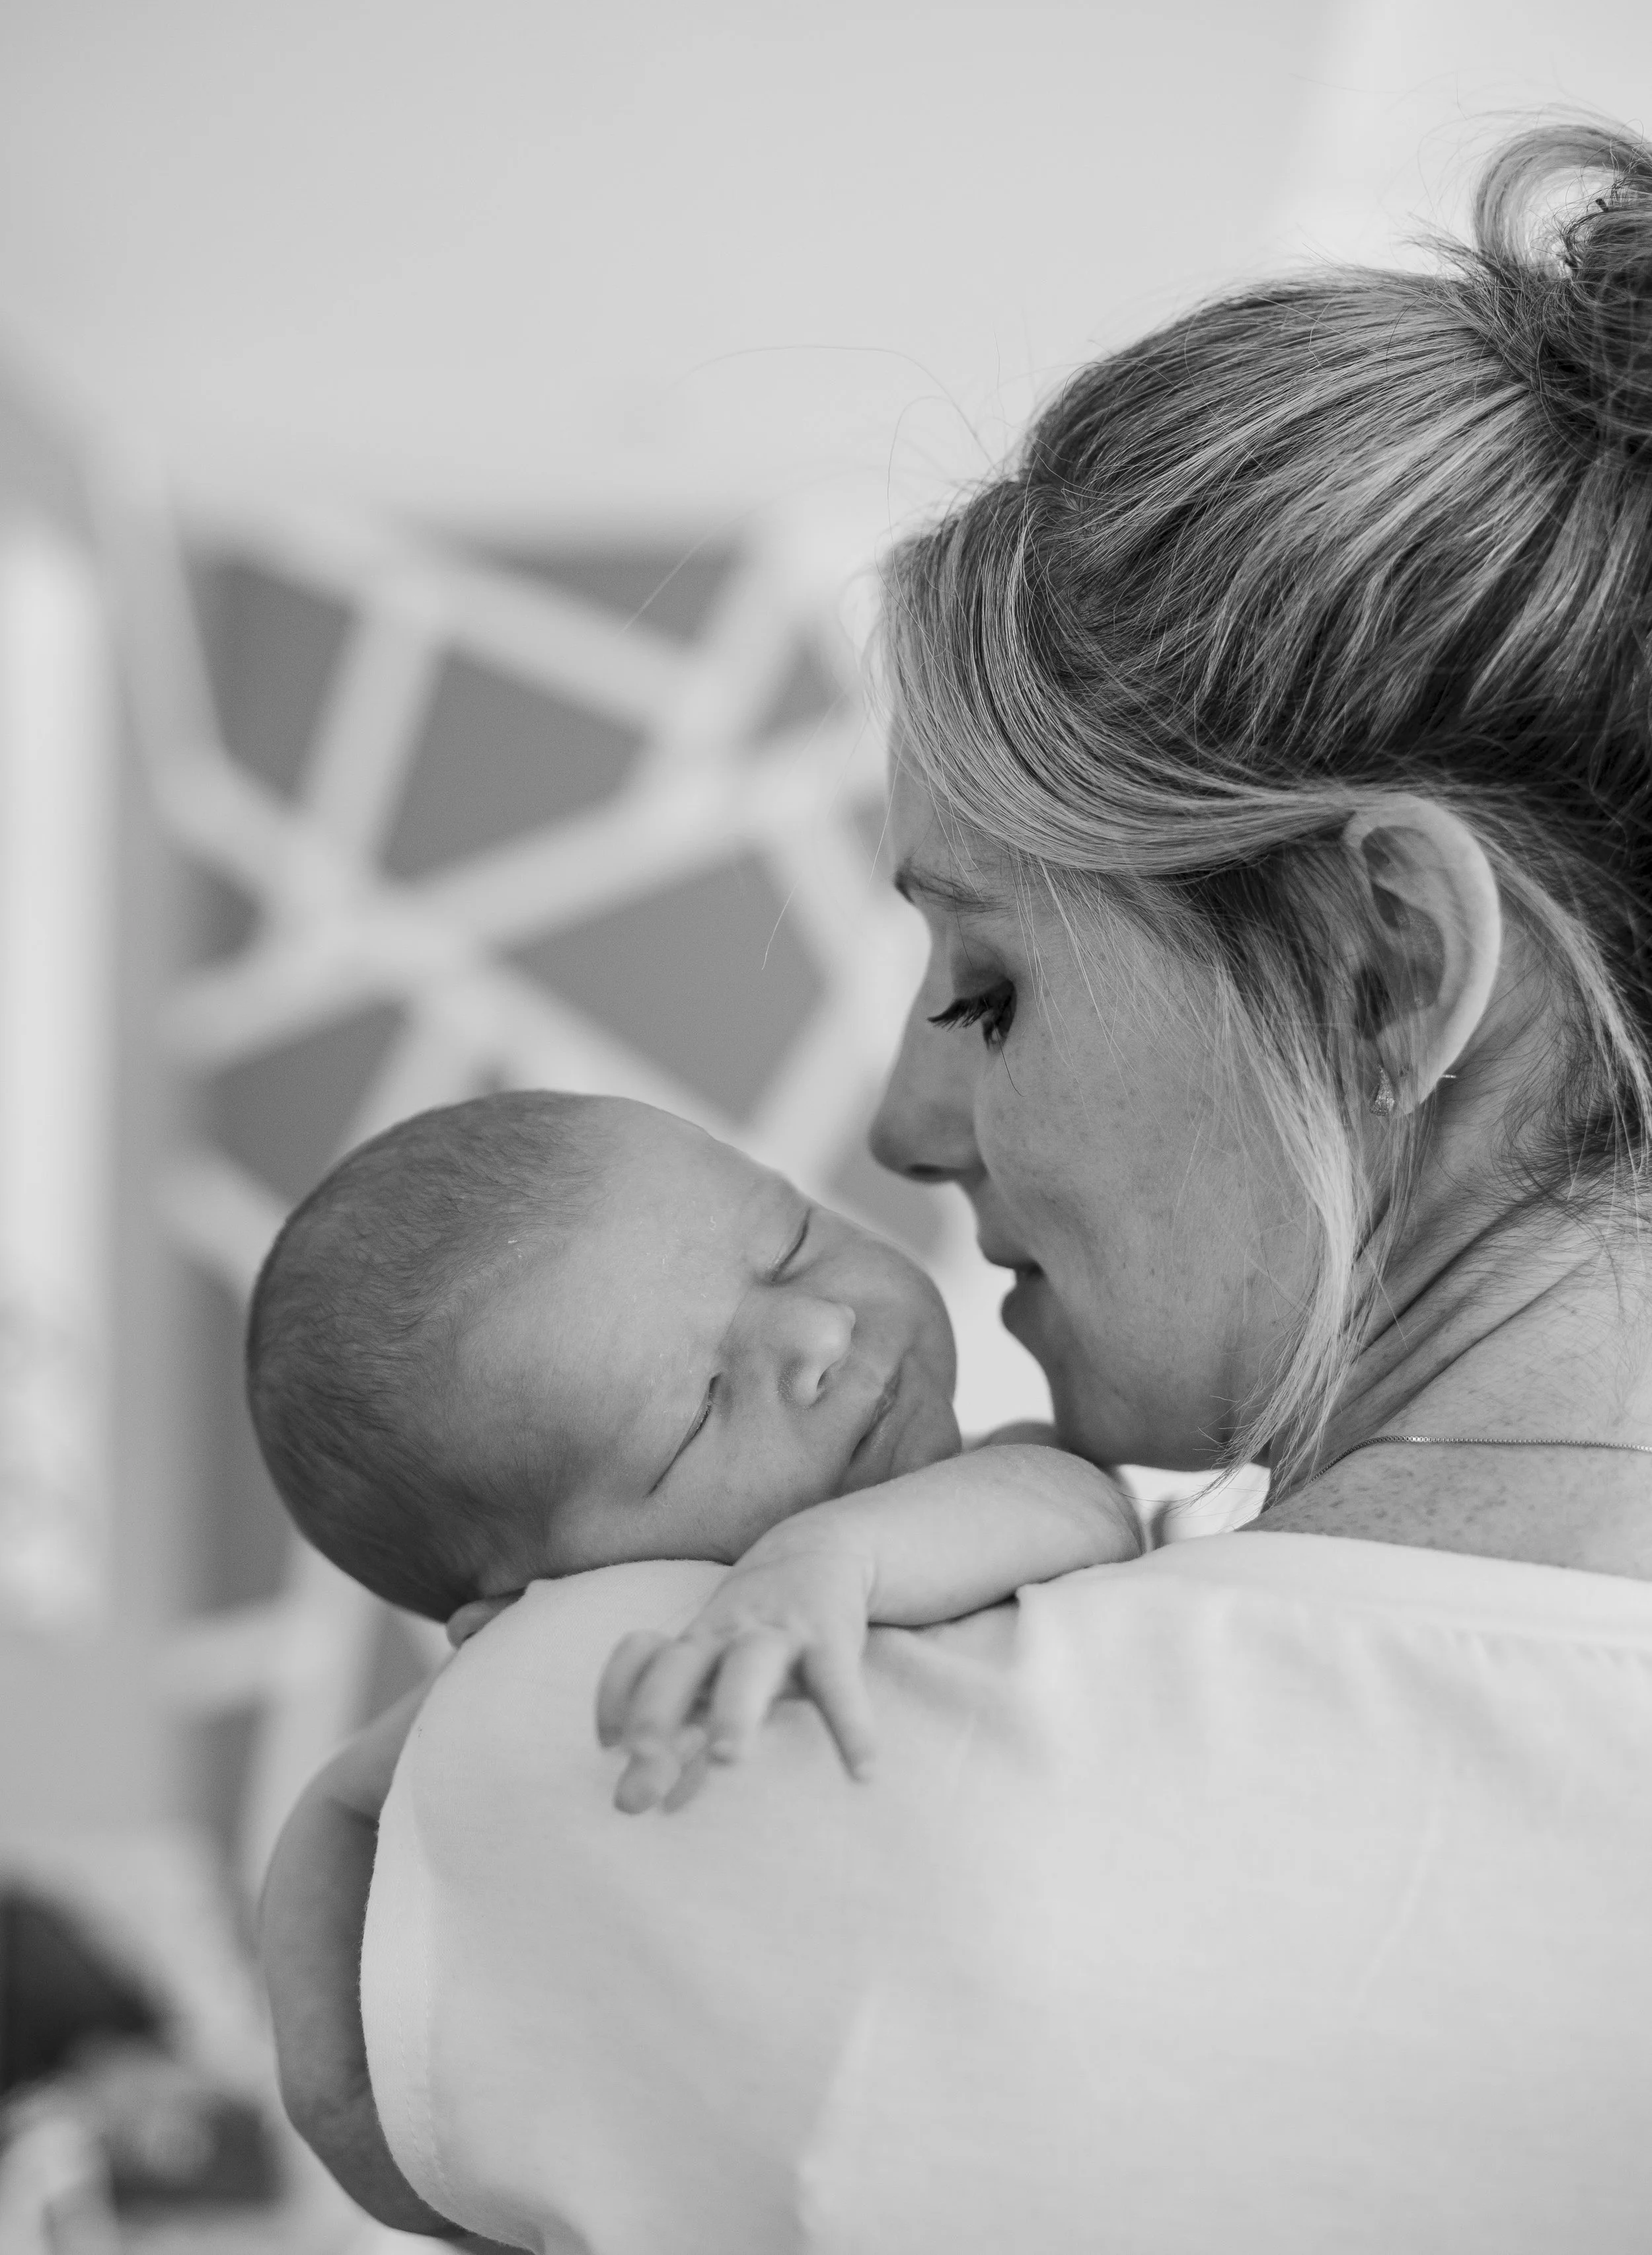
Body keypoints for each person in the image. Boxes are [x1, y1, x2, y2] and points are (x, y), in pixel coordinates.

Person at [266, 120, 1652, 2254]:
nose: (905, 1129)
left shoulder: (682, 1786)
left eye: (989, 985)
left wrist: (452, 1793)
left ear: (1390, 966)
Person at [246, 1089, 1141, 1804]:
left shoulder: (989, 1490)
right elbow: (335, 1826)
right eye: (701, 1409)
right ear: (530, 1614)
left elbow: (1086, 1503)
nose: (820, 1332)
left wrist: (829, 1555)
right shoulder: (559, 1682)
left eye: (793, 1245)